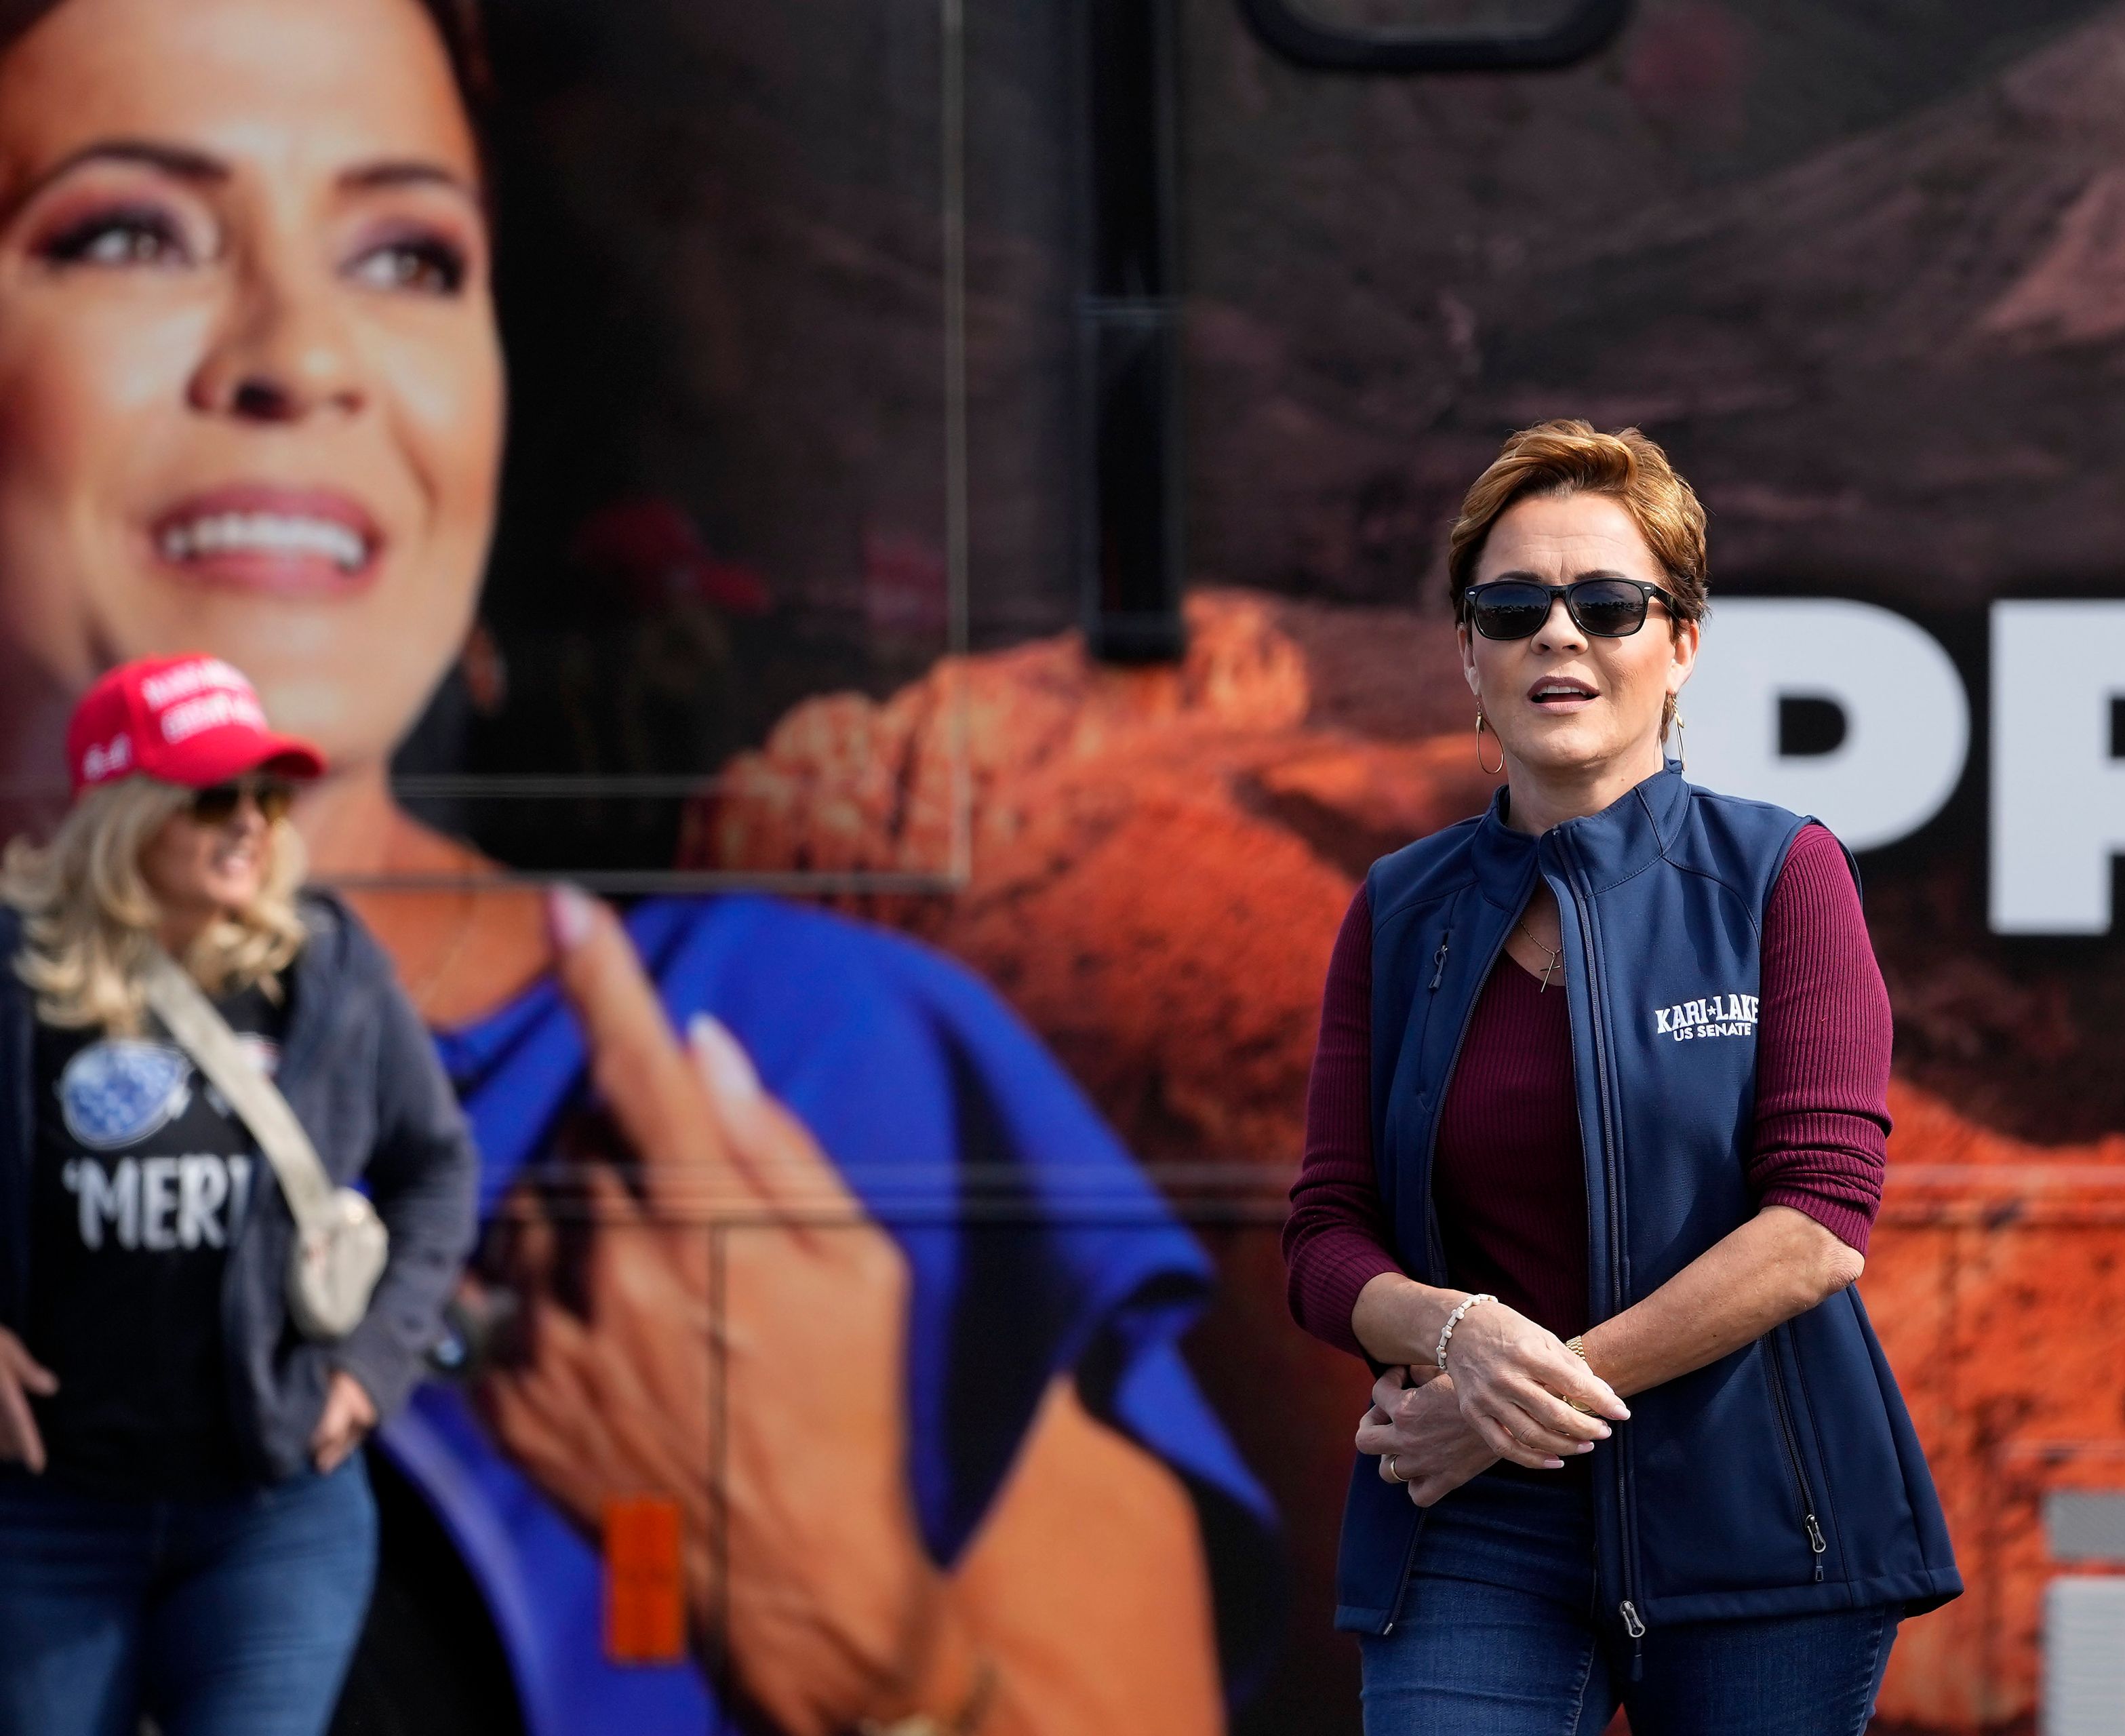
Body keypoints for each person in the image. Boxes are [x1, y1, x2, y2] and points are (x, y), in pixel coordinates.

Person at [0, 2, 1269, 1733]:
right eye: (131, 232)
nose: (305, 355)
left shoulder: (800, 1062)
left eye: (407, 254)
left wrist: (856, 1629)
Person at [1283, 420, 1962, 1734]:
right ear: (1468, 654)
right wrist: (1453, 1335)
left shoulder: (1782, 873)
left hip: (1759, 1514)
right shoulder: (1396, 909)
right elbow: (1324, 1231)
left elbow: (1818, 1223)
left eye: (1606, 602)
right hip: (1475, 1525)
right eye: (1512, 604)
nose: (1559, 634)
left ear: (1681, 641)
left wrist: (1518, 1397)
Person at [0, 654, 479, 1736]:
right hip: (51, 1519)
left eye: (267, 797)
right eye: (213, 797)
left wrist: (373, 1364)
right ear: (125, 811)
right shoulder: (17, 976)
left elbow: (437, 1170)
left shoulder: (325, 973)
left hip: (274, 1517)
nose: (251, 825)